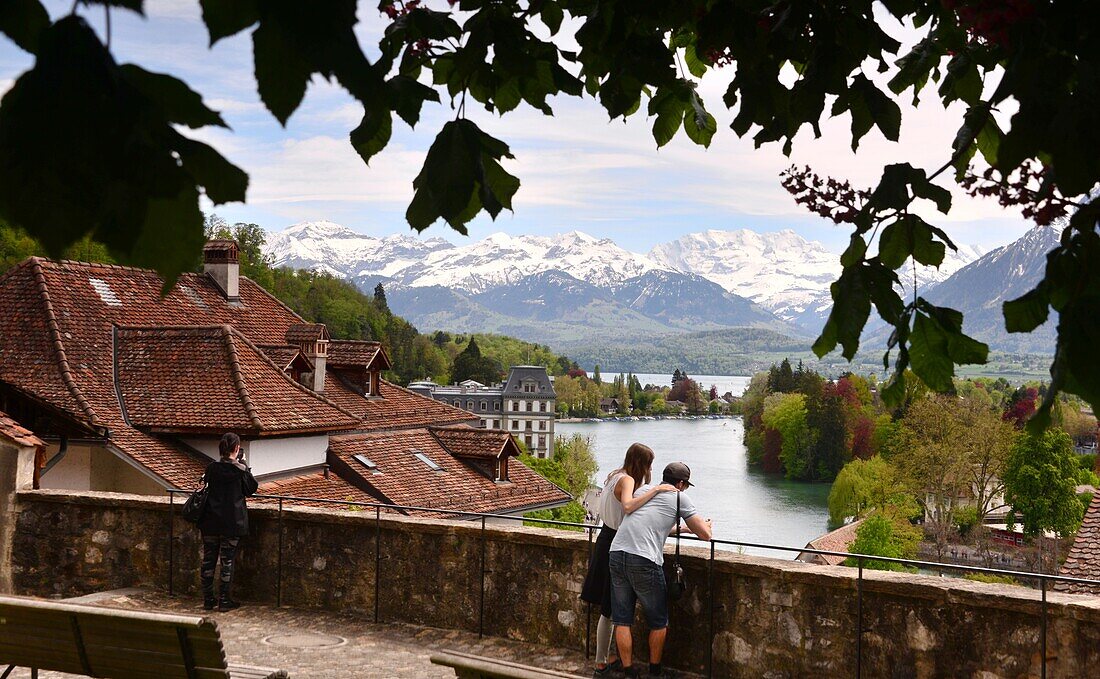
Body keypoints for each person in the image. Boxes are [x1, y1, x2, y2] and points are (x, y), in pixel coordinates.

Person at [609, 462, 712, 678]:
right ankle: (655, 671)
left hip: (617, 552)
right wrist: (703, 528)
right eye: (685, 485)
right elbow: (705, 534)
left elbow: (651, 523)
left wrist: (683, 529)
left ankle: (629, 671)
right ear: (681, 483)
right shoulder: (679, 496)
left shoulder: (644, 490)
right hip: (644, 559)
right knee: (658, 621)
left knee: (622, 618)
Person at [580, 443, 677, 677]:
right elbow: (628, 506)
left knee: (610, 608)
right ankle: (601, 663)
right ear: (642, 463)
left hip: (607, 538)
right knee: (608, 608)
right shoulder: (627, 481)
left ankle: (606, 658)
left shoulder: (615, 475)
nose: (649, 469)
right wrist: (656, 490)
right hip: (616, 541)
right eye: (649, 464)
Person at [198, 432, 258, 611]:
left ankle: (208, 599)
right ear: (237, 449)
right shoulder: (240, 471)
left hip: (210, 520)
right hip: (231, 521)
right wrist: (245, 464)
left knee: (208, 560)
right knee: (227, 561)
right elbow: (251, 489)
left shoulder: (211, 468)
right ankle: (224, 600)